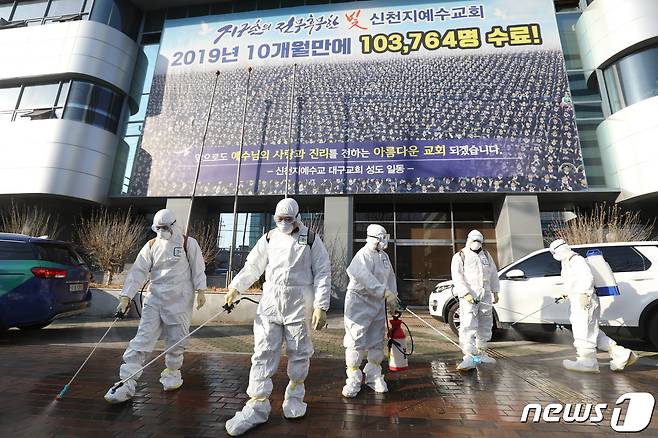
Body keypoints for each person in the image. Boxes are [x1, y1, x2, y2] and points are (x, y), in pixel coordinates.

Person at [224, 198, 331, 436]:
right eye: (279, 219)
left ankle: (294, 398)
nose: (283, 223)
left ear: (297, 218)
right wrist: (235, 287)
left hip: (299, 303)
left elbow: (323, 271)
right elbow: (253, 265)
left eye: (287, 219)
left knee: (299, 353)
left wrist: (320, 306)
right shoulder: (269, 238)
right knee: (262, 353)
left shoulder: (311, 239)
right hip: (270, 302)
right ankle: (256, 406)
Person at [104, 209, 207, 403]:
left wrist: (201, 290)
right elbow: (138, 271)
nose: (162, 231)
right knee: (142, 339)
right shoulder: (151, 245)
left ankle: (172, 372)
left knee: (177, 340)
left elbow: (198, 268)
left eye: (165, 228)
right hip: (155, 298)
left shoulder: (188, 243)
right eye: (158, 228)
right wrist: (126, 296)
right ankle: (125, 382)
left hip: (180, 299)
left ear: (174, 225)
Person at [549, 239, 637, 373]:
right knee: (592, 331)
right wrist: (567, 294)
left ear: (559, 251)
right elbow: (575, 282)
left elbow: (587, 278)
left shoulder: (575, 260)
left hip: (584, 300)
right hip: (580, 298)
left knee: (583, 330)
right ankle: (620, 353)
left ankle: (587, 362)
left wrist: (584, 294)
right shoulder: (568, 262)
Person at [342, 224, 398, 398]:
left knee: (376, 340)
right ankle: (353, 377)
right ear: (374, 238)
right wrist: (384, 292)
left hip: (377, 304)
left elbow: (390, 277)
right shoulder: (362, 255)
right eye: (382, 237)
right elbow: (364, 278)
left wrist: (392, 297)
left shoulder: (384, 257)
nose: (384, 240)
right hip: (359, 302)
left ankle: (374, 374)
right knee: (355, 340)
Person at [451, 229, 500, 371]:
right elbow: (457, 276)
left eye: (479, 241)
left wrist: (495, 291)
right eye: (474, 240)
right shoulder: (460, 255)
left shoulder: (486, 255)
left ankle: (482, 353)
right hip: (469, 296)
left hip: (485, 295)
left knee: (485, 322)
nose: (477, 243)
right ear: (468, 240)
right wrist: (465, 293)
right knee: (468, 324)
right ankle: (468, 356)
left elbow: (493, 273)